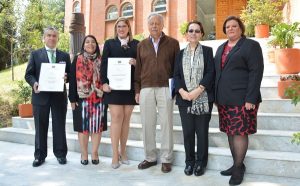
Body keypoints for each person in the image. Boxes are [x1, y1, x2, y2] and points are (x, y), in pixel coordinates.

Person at [214, 16, 264, 185]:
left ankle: (237, 169)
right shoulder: (221, 47)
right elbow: (217, 73)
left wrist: (251, 97)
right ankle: (237, 164)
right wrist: (215, 95)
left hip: (243, 100)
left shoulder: (251, 46)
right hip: (224, 99)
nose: (231, 29)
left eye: (234, 26)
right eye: (227, 26)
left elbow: (256, 72)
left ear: (241, 28)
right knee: (230, 131)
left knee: (240, 133)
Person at [134, 13, 180, 173]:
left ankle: (167, 159)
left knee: (166, 123)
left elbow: (176, 68)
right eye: (151, 23)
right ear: (148, 26)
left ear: (162, 25)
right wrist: (137, 90)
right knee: (147, 123)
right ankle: (150, 157)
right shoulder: (141, 45)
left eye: (157, 23)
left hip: (165, 87)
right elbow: (138, 69)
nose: (154, 26)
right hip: (146, 88)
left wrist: (175, 88)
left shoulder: (173, 43)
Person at [25, 26, 71, 167]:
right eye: (49, 35)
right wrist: (34, 83)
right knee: (40, 127)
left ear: (57, 38)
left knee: (59, 126)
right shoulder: (35, 54)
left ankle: (61, 154)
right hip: (40, 97)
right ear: (44, 38)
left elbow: (70, 76)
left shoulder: (64, 56)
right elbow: (28, 74)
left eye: (54, 36)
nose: (51, 38)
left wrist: (66, 77)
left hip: (59, 97)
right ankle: (39, 156)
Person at [174, 20, 214, 176]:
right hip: (184, 99)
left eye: (197, 31)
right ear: (186, 34)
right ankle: (189, 162)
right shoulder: (180, 54)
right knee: (188, 133)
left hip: (203, 98)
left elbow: (211, 73)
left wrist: (198, 90)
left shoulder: (208, 51)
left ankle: (200, 163)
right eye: (191, 31)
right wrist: (182, 92)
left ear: (201, 34)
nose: (194, 33)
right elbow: (176, 75)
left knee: (202, 132)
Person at [101, 17, 139, 169]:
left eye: (124, 26)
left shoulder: (136, 44)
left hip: (130, 88)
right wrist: (104, 83)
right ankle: (115, 155)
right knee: (117, 117)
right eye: (118, 27)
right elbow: (104, 64)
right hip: (114, 87)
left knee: (126, 120)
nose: (121, 29)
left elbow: (142, 65)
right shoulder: (110, 43)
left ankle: (123, 152)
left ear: (129, 28)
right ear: (116, 29)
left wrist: (136, 63)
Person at [69, 35, 107, 165]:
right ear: (83, 45)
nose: (90, 44)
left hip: (98, 98)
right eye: (87, 42)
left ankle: (95, 153)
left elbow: (106, 78)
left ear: (96, 44)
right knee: (83, 128)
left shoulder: (102, 60)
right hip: (81, 99)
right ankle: (84, 153)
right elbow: (73, 80)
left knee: (97, 127)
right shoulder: (77, 59)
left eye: (93, 42)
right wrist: (72, 99)